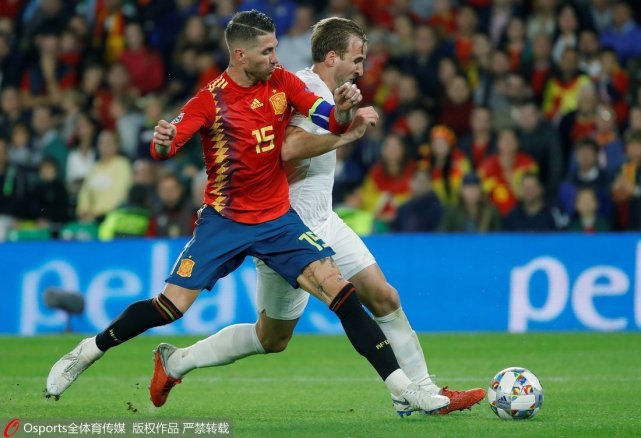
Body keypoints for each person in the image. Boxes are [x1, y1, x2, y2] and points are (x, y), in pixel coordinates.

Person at [46, 10, 449, 415]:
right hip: (225, 221)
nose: (276, 58)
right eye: (267, 51)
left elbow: (326, 117)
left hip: (277, 220)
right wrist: (163, 141)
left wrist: (343, 111)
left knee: (341, 293)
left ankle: (405, 389)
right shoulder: (210, 100)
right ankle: (88, 351)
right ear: (240, 55)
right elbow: (165, 146)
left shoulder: (282, 82)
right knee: (170, 307)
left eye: (275, 49)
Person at [149, 16, 484, 417]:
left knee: (383, 295)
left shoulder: (328, 94)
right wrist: (344, 134)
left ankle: (421, 391)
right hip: (284, 226)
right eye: (357, 59)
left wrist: (343, 122)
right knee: (272, 338)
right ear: (332, 57)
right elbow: (287, 148)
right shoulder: (300, 88)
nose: (361, 68)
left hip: (324, 219)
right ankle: (177, 362)